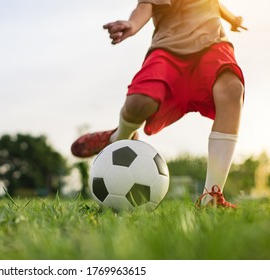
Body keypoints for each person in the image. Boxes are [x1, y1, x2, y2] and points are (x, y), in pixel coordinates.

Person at [70, 0, 246, 208]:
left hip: (213, 44)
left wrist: (232, 19)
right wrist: (132, 25)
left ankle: (211, 196)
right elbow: (146, 6)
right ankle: (119, 137)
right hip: (169, 48)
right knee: (140, 103)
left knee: (231, 88)